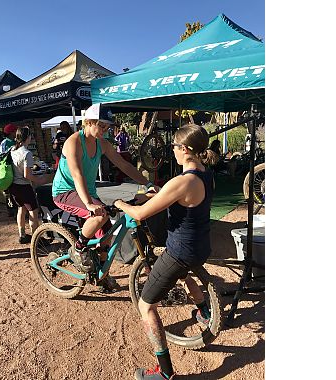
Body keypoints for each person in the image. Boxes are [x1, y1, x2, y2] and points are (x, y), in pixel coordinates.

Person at [112, 124, 218, 379]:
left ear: (184, 149)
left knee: (146, 305)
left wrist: (119, 203)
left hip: (180, 251)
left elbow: (138, 214)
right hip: (200, 246)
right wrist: (160, 194)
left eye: (173, 146)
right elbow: (184, 200)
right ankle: (204, 312)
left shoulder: (183, 181)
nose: (171, 149)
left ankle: (165, 372)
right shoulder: (206, 174)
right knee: (183, 274)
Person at [51, 103, 159, 293]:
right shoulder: (73, 142)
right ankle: (77, 248)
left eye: (107, 126)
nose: (105, 130)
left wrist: (147, 184)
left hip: (87, 191)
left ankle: (101, 276)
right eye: (101, 126)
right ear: (88, 122)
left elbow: (124, 166)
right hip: (65, 192)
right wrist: (89, 204)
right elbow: (77, 176)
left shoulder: (103, 143)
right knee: (100, 217)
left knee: (107, 236)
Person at [9, 127, 54, 244]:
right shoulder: (27, 153)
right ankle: (36, 239)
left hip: (14, 186)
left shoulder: (12, 150)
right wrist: (39, 180)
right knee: (33, 212)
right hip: (24, 186)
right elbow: (27, 174)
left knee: (21, 209)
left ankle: (22, 235)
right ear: (28, 137)